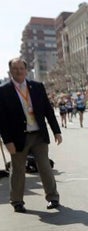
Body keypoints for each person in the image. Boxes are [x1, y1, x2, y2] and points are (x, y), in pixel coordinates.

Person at [0, 57, 62, 212]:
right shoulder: (3, 91)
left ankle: (53, 198)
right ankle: (17, 201)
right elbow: (2, 119)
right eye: (15, 69)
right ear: (10, 71)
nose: (19, 71)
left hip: (39, 135)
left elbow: (48, 110)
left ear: (26, 70)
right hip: (18, 138)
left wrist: (56, 131)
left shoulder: (37, 87)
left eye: (21, 68)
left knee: (45, 166)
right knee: (18, 170)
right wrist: (7, 141)